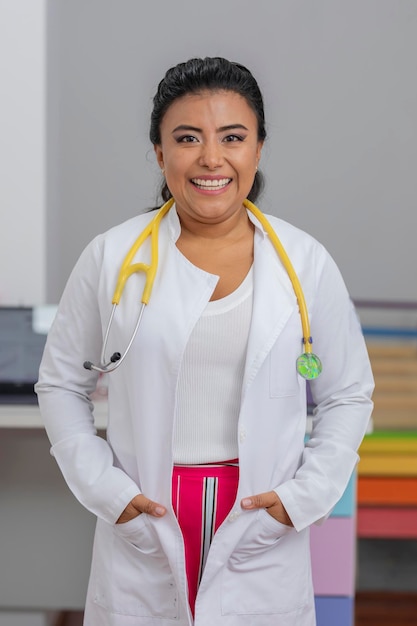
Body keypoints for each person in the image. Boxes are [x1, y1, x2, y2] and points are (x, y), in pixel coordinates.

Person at [36, 57, 374, 626]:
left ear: (259, 149)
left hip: (257, 518)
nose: (211, 158)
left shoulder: (305, 262)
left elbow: (348, 396)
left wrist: (300, 501)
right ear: (159, 151)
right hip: (147, 512)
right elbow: (61, 382)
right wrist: (106, 493)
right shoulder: (112, 257)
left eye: (233, 138)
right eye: (187, 138)